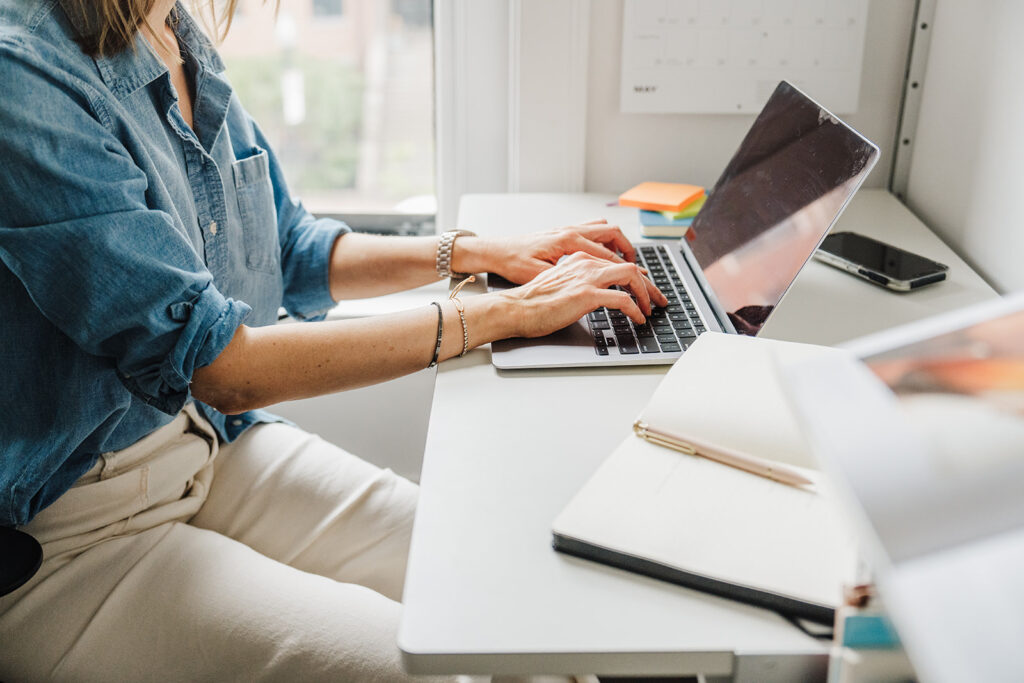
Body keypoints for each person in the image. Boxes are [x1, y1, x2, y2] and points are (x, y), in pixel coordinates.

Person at [0, 0, 666, 679]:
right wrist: (504, 315)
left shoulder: (169, 30)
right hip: (76, 535)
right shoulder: (21, 71)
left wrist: (476, 253)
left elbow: (289, 248)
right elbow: (224, 366)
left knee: (524, 582)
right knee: (437, 663)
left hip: (206, 446)